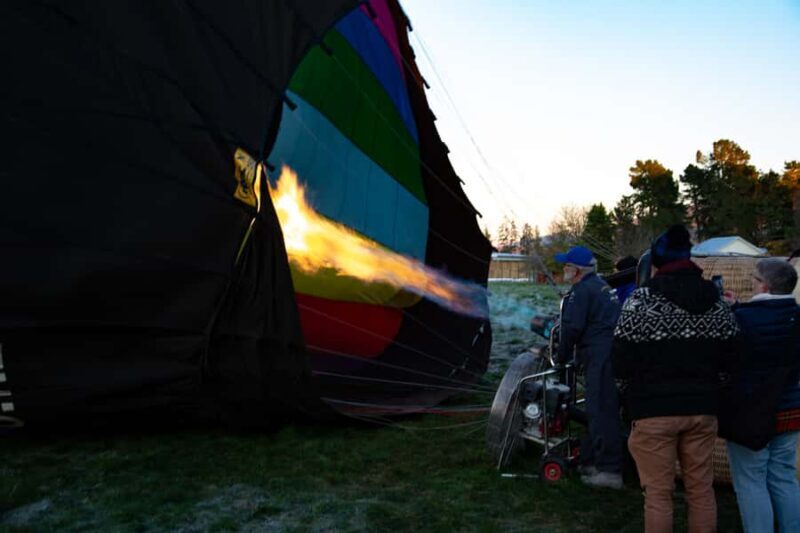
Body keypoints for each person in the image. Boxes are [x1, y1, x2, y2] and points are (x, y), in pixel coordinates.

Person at [612, 225, 739, 533]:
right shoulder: (717, 304)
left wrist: (630, 396)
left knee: (658, 494)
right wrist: (713, 388)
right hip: (702, 408)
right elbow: (732, 357)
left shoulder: (640, 303)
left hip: (653, 411)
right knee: (701, 490)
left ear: (656, 265)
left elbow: (620, 362)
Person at [725, 258, 800, 533]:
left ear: (765, 286)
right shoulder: (796, 316)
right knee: (784, 477)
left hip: (750, 412)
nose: (751, 284)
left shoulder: (743, 320)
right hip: (791, 406)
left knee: (751, 481)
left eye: (754, 280)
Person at [554, 245, 623, 489]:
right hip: (608, 353)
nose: (564, 268)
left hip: (599, 356)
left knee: (602, 412)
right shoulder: (601, 285)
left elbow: (572, 329)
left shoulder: (582, 291)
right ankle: (591, 460)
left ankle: (610, 471)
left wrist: (560, 356)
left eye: (566, 265)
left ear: (577, 269)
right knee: (597, 410)